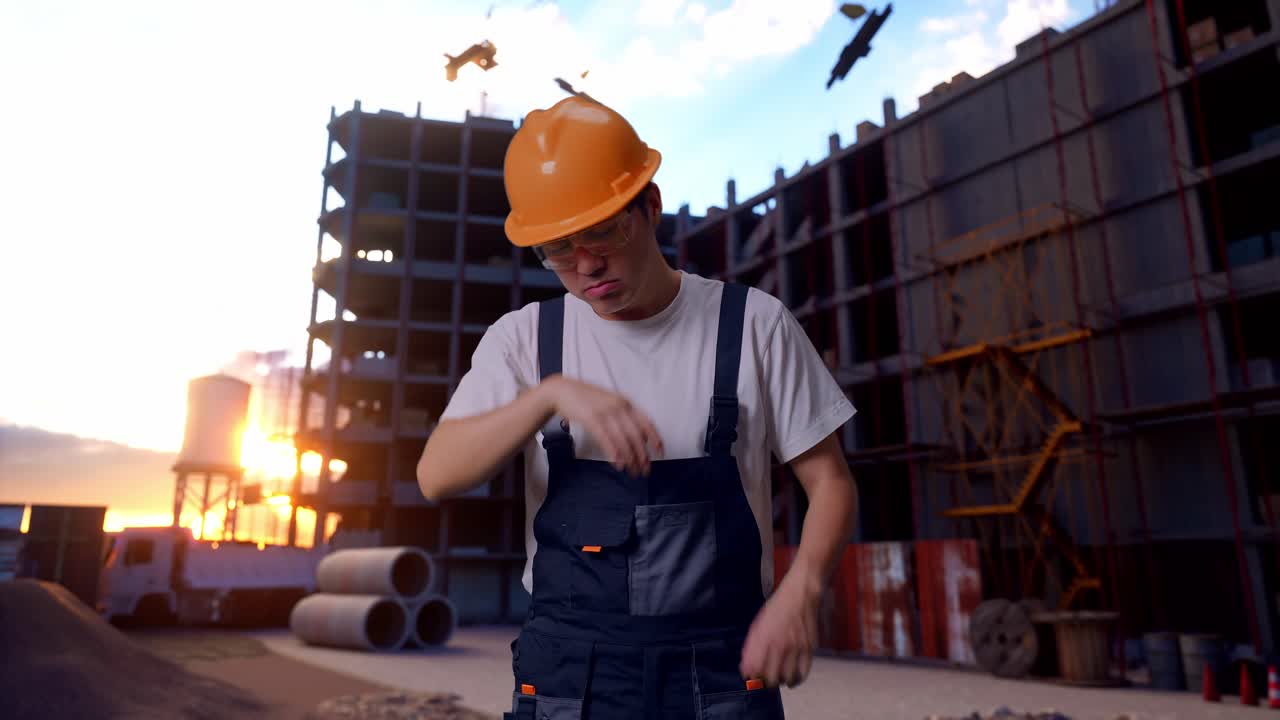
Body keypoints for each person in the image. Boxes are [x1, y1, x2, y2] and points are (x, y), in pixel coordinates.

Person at [417, 95, 858, 720]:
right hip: (571, 676)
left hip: (723, 672)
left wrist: (801, 592)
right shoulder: (525, 340)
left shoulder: (752, 326)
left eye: (603, 231)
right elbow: (437, 475)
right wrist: (549, 395)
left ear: (650, 205)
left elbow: (831, 482)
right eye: (558, 248)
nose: (585, 264)